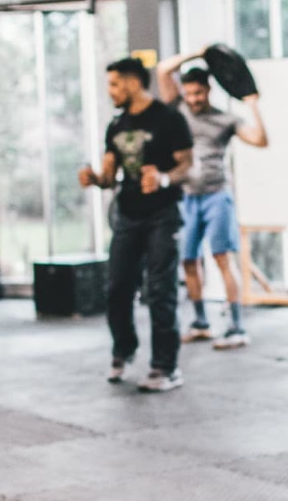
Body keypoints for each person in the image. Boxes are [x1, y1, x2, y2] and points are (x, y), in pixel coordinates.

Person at [78, 57, 193, 392]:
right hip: (128, 215)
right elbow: (108, 175)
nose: (110, 91)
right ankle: (123, 350)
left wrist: (163, 178)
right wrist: (94, 178)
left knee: (160, 290)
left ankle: (166, 367)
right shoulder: (116, 125)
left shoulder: (169, 118)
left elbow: (188, 166)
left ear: (132, 82)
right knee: (117, 288)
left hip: (162, 215)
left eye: (114, 84)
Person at [157, 53, 268, 350]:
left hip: (217, 196)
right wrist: (202, 52)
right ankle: (200, 322)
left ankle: (236, 326)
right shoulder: (178, 109)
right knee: (188, 261)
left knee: (222, 260)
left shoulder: (225, 119)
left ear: (208, 90)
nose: (193, 98)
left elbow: (260, 140)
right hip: (186, 197)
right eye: (189, 93)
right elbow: (164, 69)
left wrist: (252, 103)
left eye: (199, 92)